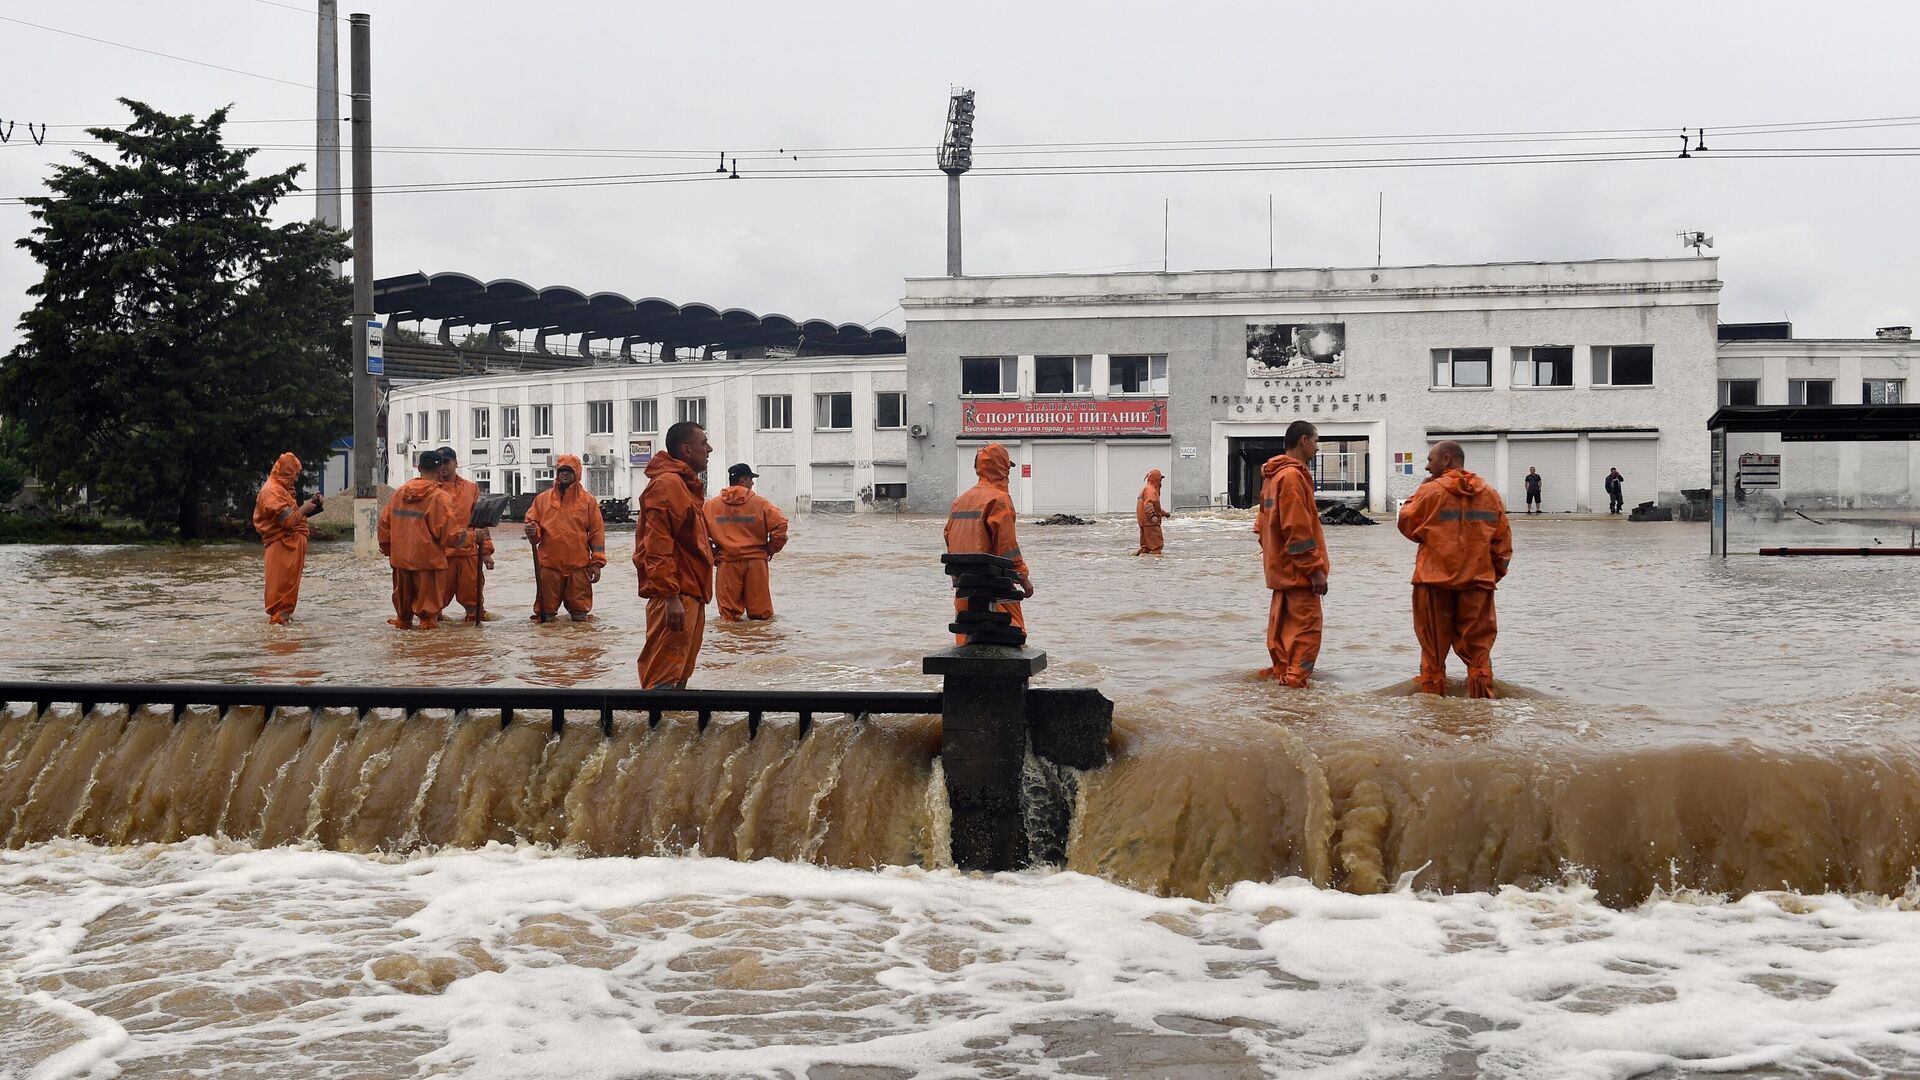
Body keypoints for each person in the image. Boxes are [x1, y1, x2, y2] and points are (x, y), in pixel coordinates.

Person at [1397, 440, 1513, 698]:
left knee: (1433, 656)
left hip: (1433, 584)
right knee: (1479, 656)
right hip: (1477, 585)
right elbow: (1503, 545)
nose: (1427, 467)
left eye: (1430, 460)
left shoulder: (1430, 492)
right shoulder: (1490, 494)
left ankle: (1433, 715)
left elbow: (1406, 524)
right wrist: (1489, 576)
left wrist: (1418, 492)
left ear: (1446, 460)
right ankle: (1483, 714)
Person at [635, 421, 716, 687]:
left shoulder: (683, 485)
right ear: (686, 450)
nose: (710, 449)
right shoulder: (668, 484)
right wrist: (670, 597)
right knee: (663, 677)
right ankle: (653, 725)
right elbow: (656, 546)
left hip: (689, 591)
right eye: (703, 443)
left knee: (678, 674)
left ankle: (671, 726)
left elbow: (685, 540)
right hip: (676, 593)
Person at [1258, 421, 1329, 687]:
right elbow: (1297, 529)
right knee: (1306, 638)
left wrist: (1277, 558)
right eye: (1315, 441)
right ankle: (1298, 698)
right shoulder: (1291, 477)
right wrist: (1314, 569)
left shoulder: (1272, 476)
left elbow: (1261, 527)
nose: (1317, 447)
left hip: (1282, 575)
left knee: (1282, 641)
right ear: (1303, 441)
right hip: (1300, 577)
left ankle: (1283, 693)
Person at [945, 442, 1034, 644]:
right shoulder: (999, 500)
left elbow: (949, 538)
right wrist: (1024, 580)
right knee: (1016, 637)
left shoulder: (960, 500)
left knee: (967, 643)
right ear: (1002, 467)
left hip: (964, 589)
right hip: (995, 590)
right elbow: (1007, 548)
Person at [378, 450, 458, 630]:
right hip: (428, 564)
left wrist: (390, 551)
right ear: (439, 470)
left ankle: (404, 646)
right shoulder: (439, 497)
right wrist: (472, 538)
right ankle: (425, 654)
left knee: (403, 621)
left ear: (419, 468)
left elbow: (383, 525)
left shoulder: (399, 494)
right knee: (428, 622)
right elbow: (450, 535)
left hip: (401, 562)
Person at [523, 454, 607, 622]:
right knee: (544, 617)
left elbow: (597, 534)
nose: (565, 474)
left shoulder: (589, 502)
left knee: (580, 616)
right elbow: (533, 524)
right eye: (562, 471)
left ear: (577, 474)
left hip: (578, 568)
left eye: (569, 471)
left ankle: (578, 648)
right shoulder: (542, 500)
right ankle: (547, 649)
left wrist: (597, 563)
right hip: (549, 567)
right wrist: (532, 530)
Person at [703, 462, 789, 621]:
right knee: (761, 617)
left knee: (728, 619)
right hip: (756, 563)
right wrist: (770, 549)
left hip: (727, 563)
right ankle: (757, 644)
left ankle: (732, 645)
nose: (753, 483)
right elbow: (780, 526)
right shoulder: (761, 503)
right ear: (743, 481)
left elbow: (699, 535)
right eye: (751, 479)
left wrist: (714, 555)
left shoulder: (710, 506)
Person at [252, 452, 323, 625]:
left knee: (288, 591)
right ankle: (279, 634)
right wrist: (305, 508)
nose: (297, 479)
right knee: (282, 592)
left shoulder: (282, 489)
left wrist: (312, 507)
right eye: (296, 474)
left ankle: (283, 629)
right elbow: (289, 521)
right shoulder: (272, 491)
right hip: (282, 547)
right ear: (286, 471)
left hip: (289, 546)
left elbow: (292, 515)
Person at [434, 447, 495, 623]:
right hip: (441, 556)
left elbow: (481, 522)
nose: (443, 467)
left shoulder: (471, 488)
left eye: (446, 462)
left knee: (474, 604)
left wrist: (486, 552)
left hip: (469, 554)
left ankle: (472, 645)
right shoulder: (430, 489)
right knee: (433, 605)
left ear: (455, 463)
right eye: (439, 463)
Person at [1134, 469, 1173, 555]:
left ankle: (1142, 565)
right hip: (1150, 523)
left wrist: (1164, 513)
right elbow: (1148, 504)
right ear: (1156, 479)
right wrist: (1153, 516)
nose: (1161, 482)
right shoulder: (1151, 490)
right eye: (1160, 479)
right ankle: (1156, 567)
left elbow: (1153, 507)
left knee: (1146, 548)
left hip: (1144, 523)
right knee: (1156, 547)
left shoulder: (1146, 489)